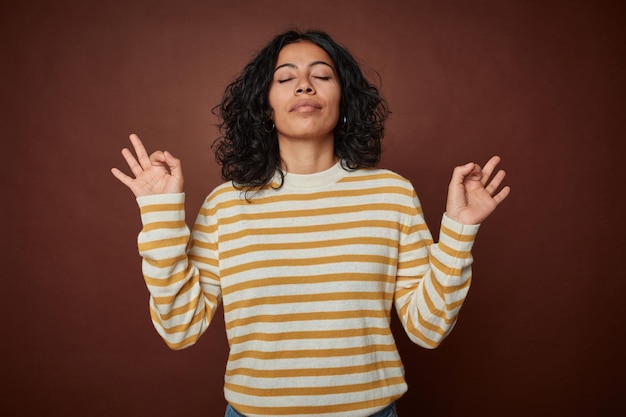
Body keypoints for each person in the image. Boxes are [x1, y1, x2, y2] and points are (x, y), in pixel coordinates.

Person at [111, 30, 510, 417]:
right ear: (264, 106)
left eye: (321, 75)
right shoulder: (225, 205)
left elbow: (428, 328)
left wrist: (459, 230)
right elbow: (180, 327)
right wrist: (160, 213)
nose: (304, 86)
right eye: (285, 78)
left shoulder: (392, 194)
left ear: (345, 100)